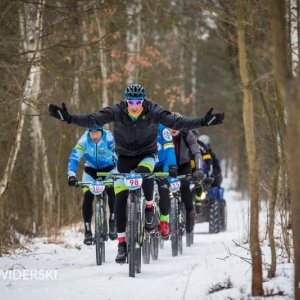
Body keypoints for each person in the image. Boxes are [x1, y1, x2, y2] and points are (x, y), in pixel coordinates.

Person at [49, 83, 224, 264]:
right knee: (120, 195)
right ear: (126, 100)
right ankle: (122, 244)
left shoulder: (153, 110)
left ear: (143, 100)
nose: (134, 105)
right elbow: (93, 119)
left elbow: (177, 122)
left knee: (145, 172)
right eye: (131, 101)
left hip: (147, 155)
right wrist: (68, 118)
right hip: (124, 157)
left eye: (138, 101)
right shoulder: (118, 110)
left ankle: (149, 207)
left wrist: (203, 122)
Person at [67, 126, 117, 245]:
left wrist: (122, 170)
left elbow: (119, 154)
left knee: (111, 190)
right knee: (88, 196)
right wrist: (71, 175)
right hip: (91, 169)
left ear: (102, 131)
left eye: (97, 133)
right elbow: (74, 157)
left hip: (109, 168)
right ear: (88, 132)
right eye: (92, 133)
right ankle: (88, 230)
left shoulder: (109, 138)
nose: (94, 136)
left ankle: (113, 220)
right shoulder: (84, 140)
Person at [168, 118, 205, 234]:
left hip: (183, 165)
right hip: (167, 167)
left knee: (185, 187)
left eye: (176, 126)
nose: (173, 129)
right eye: (170, 126)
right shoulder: (162, 134)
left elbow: (196, 152)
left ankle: (189, 211)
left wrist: (198, 169)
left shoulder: (187, 134)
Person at [154, 124, 178, 239]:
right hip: (145, 164)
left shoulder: (163, 130)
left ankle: (164, 220)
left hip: (162, 164)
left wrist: (172, 166)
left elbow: (169, 149)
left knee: (164, 190)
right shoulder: (138, 126)